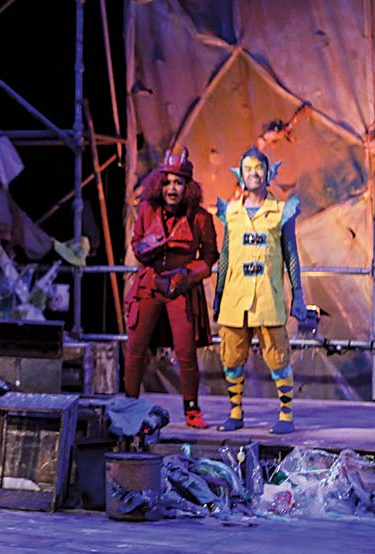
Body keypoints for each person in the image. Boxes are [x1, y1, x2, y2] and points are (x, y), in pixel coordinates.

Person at [123, 146, 218, 429]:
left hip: (180, 288)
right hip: (150, 284)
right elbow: (136, 243)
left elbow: (210, 257)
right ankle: (130, 404)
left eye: (178, 182)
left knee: (186, 350)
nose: (172, 188)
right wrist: (146, 247)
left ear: (188, 186)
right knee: (135, 348)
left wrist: (187, 275)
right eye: (167, 182)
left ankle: (192, 409)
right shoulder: (147, 210)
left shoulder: (200, 218)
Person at [213, 147, 305, 434]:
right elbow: (225, 254)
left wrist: (298, 294)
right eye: (248, 168)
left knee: (278, 356)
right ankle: (235, 412)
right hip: (235, 296)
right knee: (231, 355)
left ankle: (286, 415)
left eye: (259, 168)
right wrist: (218, 293)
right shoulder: (232, 211)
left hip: (268, 296)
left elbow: (291, 254)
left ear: (269, 173)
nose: (254, 173)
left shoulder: (281, 212)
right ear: (240, 174)